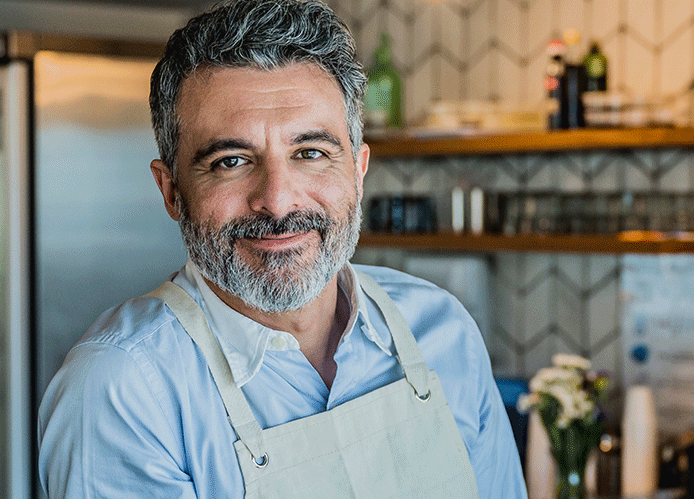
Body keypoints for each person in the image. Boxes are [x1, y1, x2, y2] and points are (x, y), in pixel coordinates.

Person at [37, 1, 527, 497]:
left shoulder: (442, 331)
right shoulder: (121, 390)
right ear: (171, 192)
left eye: (310, 153)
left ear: (358, 171)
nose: (276, 201)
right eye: (231, 161)